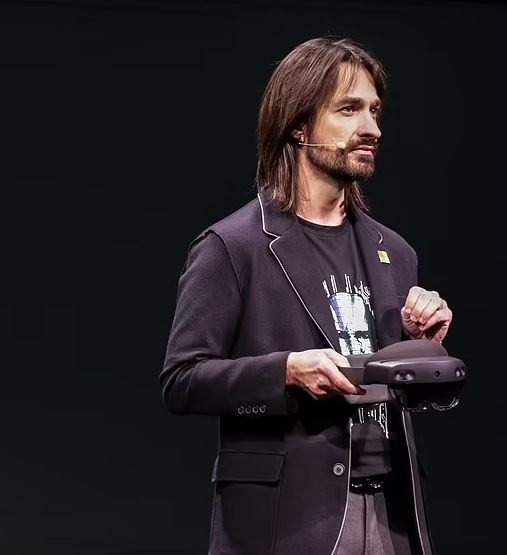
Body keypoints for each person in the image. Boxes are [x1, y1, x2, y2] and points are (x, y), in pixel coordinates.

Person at [160, 36, 453, 555]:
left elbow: (396, 387)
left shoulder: (395, 251)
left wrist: (421, 348)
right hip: (290, 520)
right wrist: (286, 372)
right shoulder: (234, 246)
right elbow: (182, 381)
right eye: (349, 110)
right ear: (299, 125)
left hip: (392, 516)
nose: (372, 128)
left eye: (375, 111)